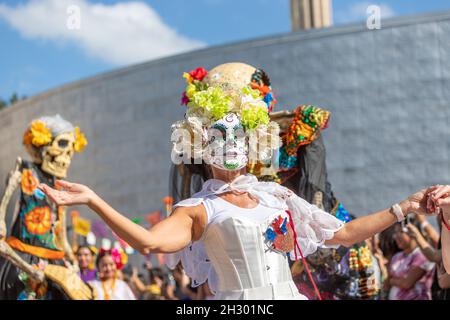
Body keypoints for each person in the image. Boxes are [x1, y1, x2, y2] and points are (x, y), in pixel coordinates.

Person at [38, 63, 444, 300]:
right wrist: (93, 199)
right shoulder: (199, 208)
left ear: (254, 143)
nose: (231, 146)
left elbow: (343, 233)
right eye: (219, 136)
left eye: (240, 137)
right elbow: (150, 242)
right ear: (198, 144)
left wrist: (405, 206)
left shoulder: (276, 196)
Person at [387, 221, 435, 300]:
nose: (396, 236)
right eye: (395, 232)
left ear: (413, 232)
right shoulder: (396, 256)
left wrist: (392, 281)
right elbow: (387, 282)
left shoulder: (422, 254)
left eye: (401, 231)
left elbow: (407, 283)